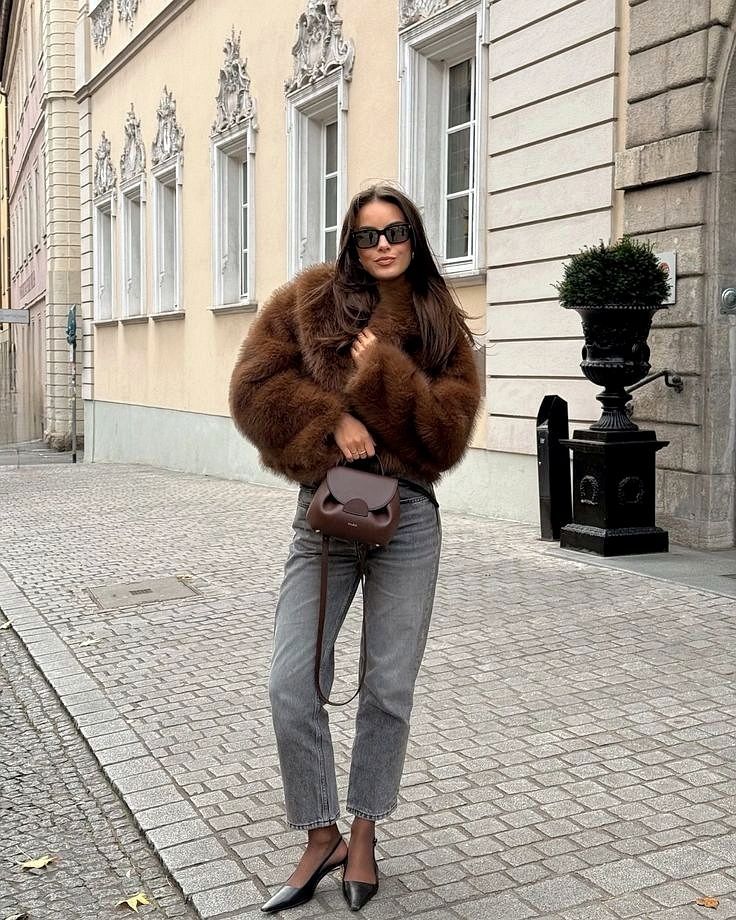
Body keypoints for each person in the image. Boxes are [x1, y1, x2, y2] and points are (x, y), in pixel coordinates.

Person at [229, 183, 481, 913]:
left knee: (388, 688)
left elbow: (446, 437)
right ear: (351, 242)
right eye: (368, 235)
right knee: (291, 681)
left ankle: (364, 834)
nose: (383, 246)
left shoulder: (440, 321)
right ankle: (321, 834)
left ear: (414, 236)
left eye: (396, 231)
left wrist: (384, 374)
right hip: (327, 511)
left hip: (409, 518)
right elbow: (252, 389)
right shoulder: (309, 300)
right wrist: (331, 420)